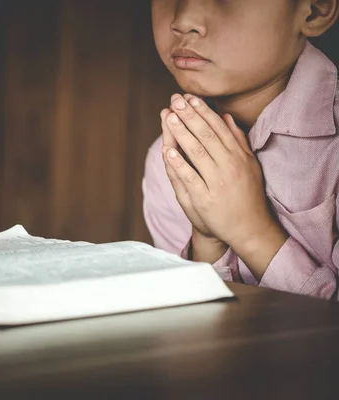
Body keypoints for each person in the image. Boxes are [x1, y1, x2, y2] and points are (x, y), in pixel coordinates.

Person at [142, 0, 339, 299]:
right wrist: (207, 242)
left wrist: (251, 233)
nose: (183, 20)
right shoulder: (170, 161)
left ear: (315, 9)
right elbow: (191, 334)